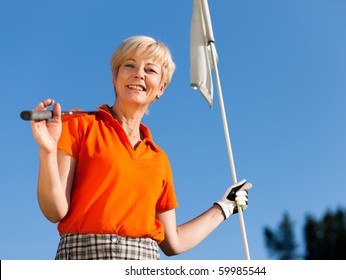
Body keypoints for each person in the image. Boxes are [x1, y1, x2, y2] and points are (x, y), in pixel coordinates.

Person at [30, 35, 252, 260]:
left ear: (161, 88)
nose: (139, 73)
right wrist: (47, 152)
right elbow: (54, 211)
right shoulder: (78, 125)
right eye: (129, 65)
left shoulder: (159, 159)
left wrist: (223, 208)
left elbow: (172, 243)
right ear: (115, 78)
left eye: (151, 70)